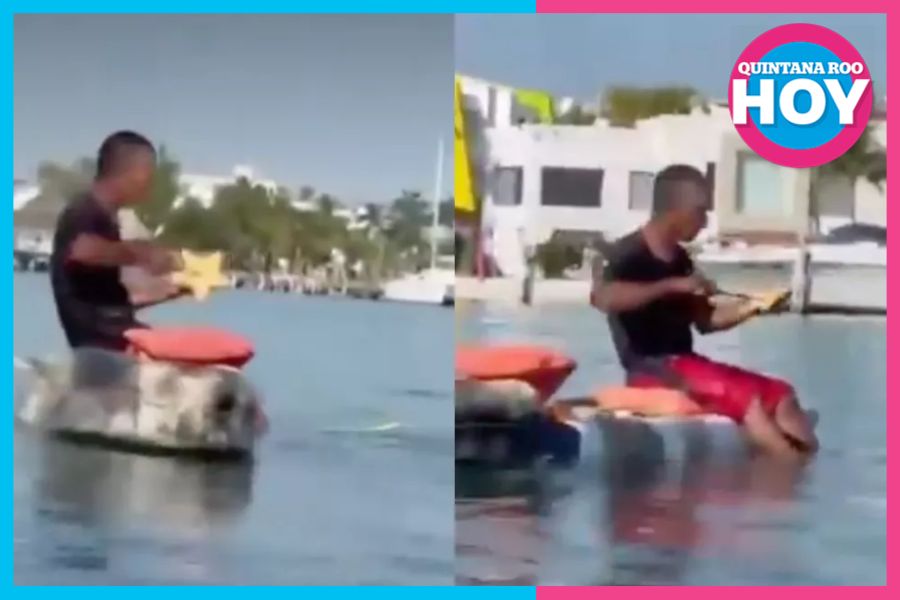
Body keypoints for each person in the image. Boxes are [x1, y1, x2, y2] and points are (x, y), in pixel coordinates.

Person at [590, 164, 818, 458]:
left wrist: (753, 307)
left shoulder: (681, 259)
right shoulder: (628, 254)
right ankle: (788, 473)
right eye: (701, 211)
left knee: (782, 394)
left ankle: (806, 478)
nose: (705, 220)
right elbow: (604, 299)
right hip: (652, 370)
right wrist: (673, 285)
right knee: (749, 401)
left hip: (688, 363)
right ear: (677, 209)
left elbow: (705, 321)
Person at [50, 131, 186, 352]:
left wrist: (167, 292)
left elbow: (97, 300)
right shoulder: (84, 210)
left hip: (115, 339)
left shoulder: (105, 219)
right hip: (101, 352)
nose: (151, 184)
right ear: (137, 173)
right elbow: (82, 250)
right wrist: (144, 254)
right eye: (151, 174)